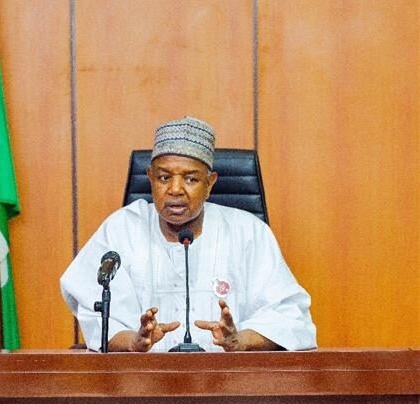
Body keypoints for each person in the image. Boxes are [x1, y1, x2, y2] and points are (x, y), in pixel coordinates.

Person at [60, 116, 317, 352]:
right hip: (142, 381)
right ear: (150, 177)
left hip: (229, 381)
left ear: (210, 183)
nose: (175, 189)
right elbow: (96, 314)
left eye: (191, 179)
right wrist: (133, 342)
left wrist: (240, 340)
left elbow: (290, 317)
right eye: (163, 178)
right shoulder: (121, 229)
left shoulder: (248, 232)